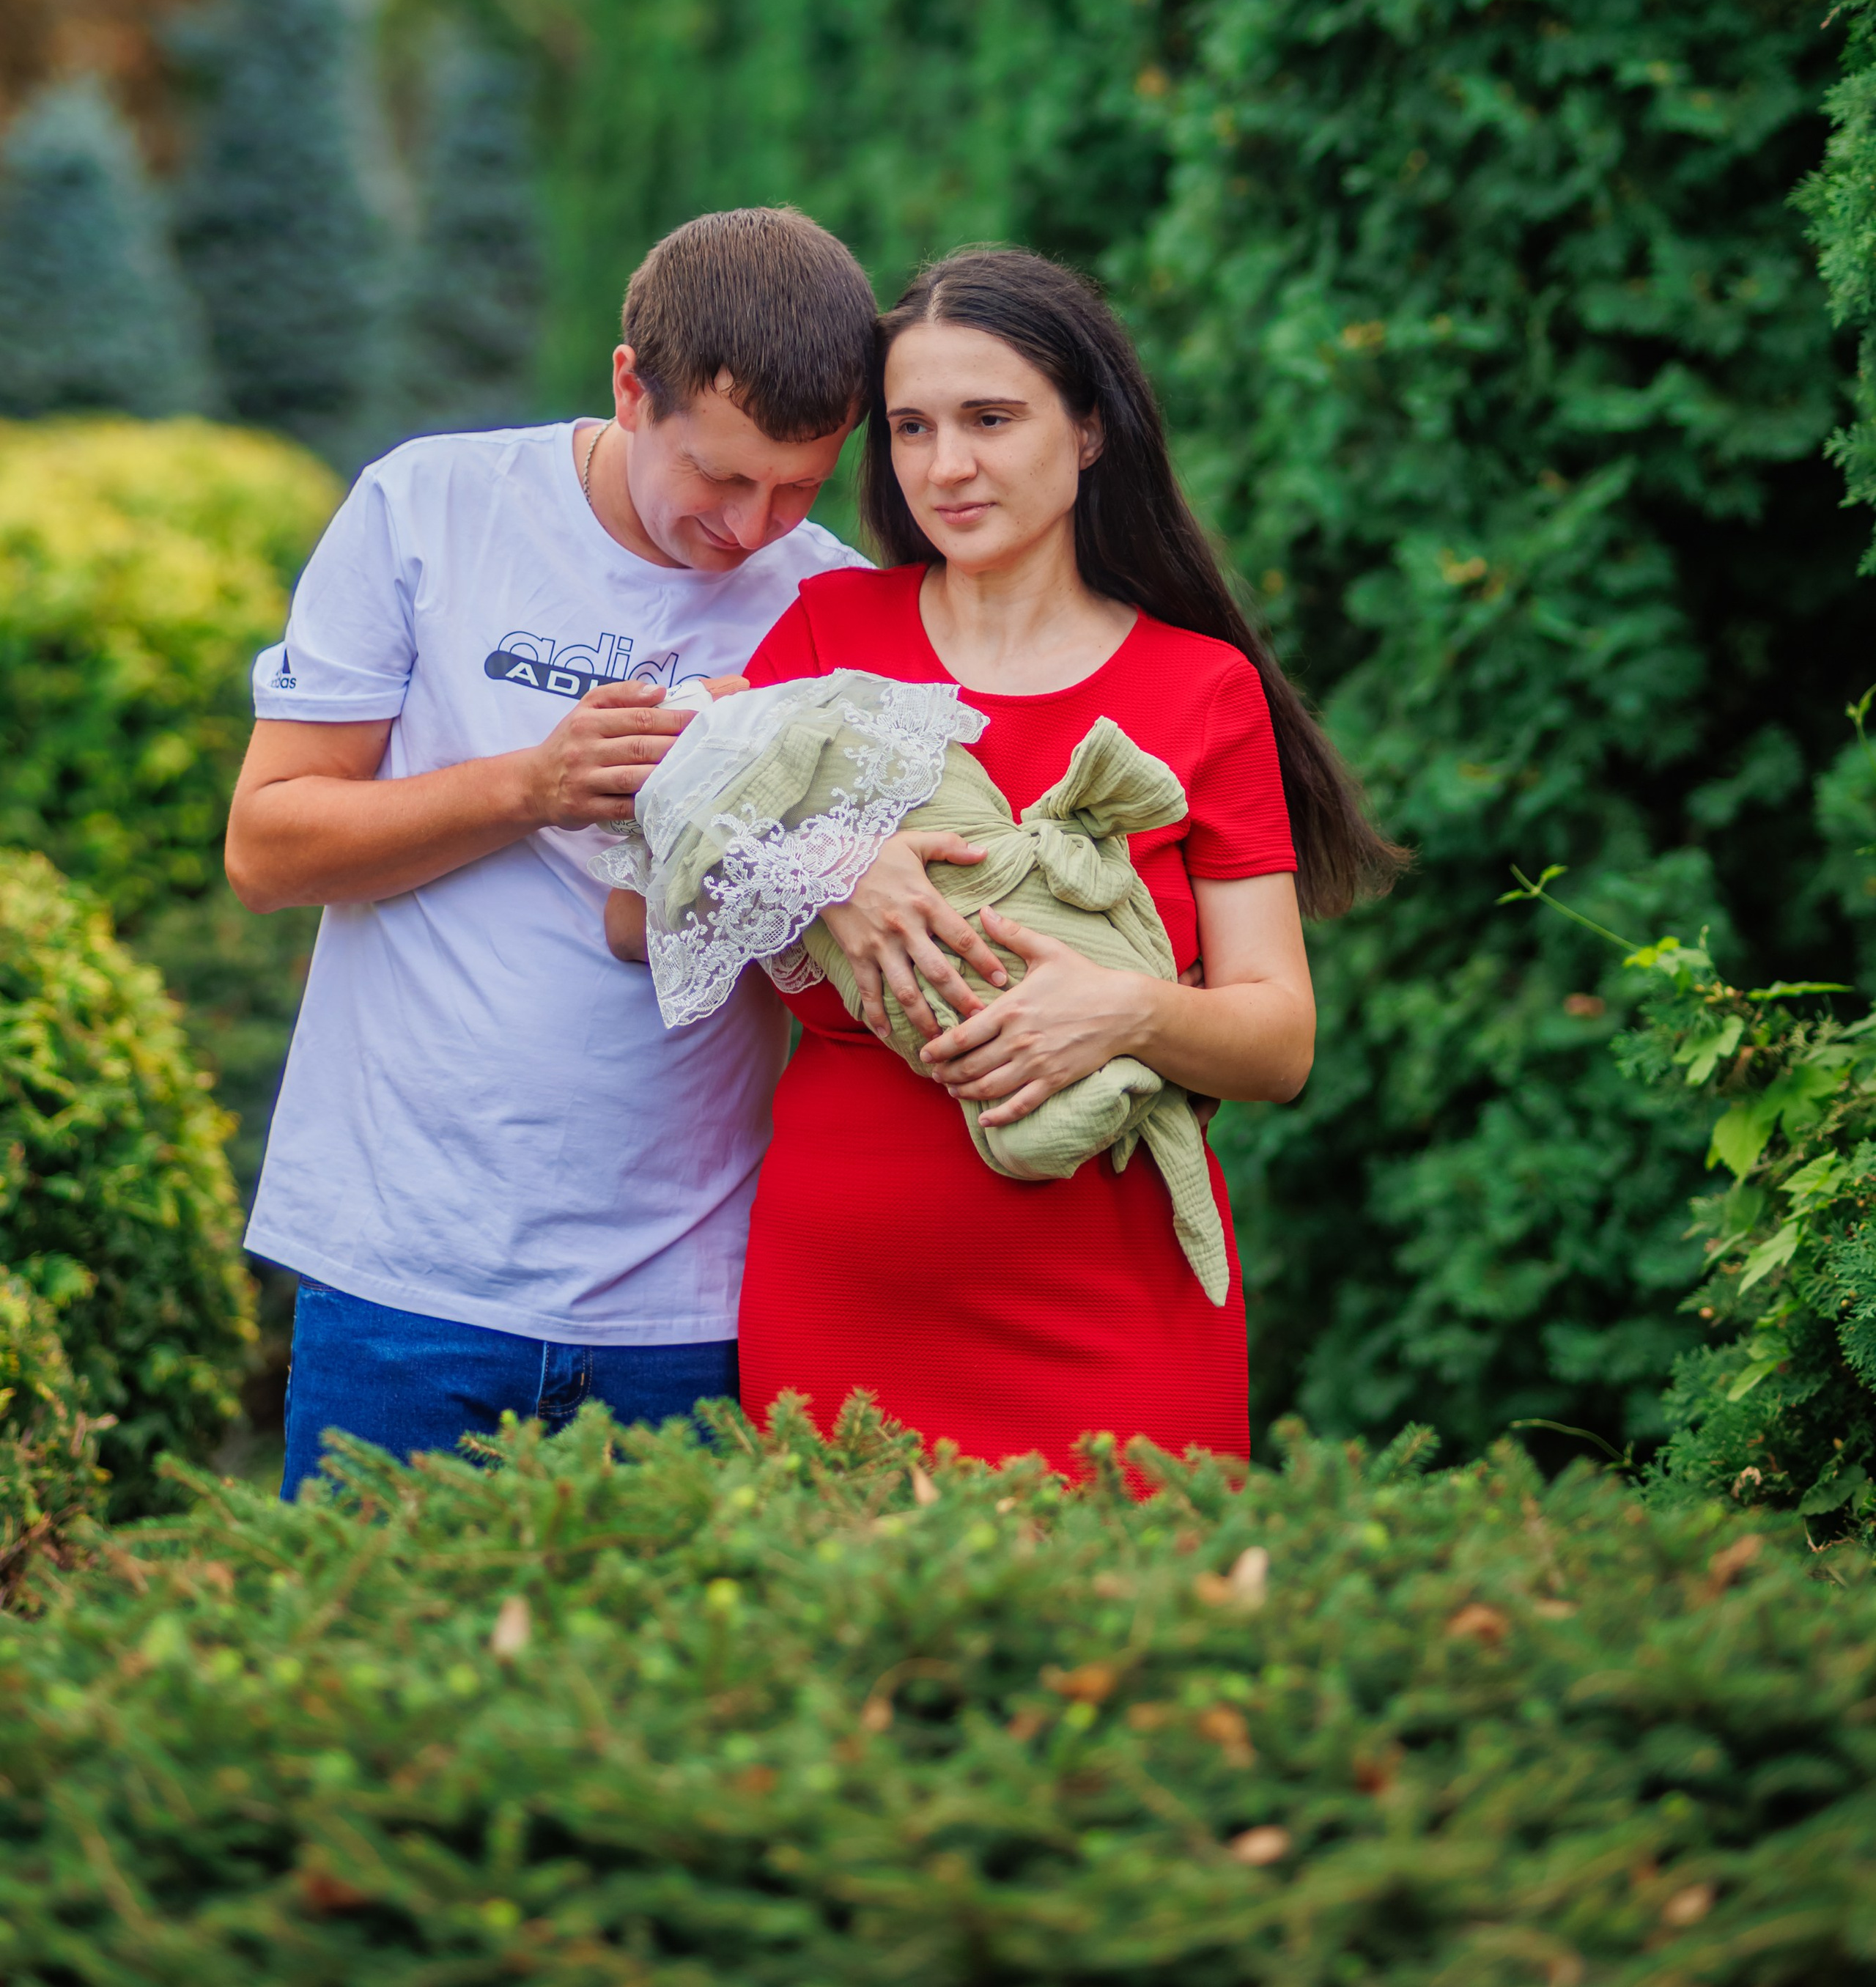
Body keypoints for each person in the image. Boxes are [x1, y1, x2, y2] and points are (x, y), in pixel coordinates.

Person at [226, 208, 876, 1499]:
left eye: (800, 485)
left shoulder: (835, 601)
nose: (754, 526)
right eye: (721, 476)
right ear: (632, 388)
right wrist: (532, 786)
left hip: (695, 1297)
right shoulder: (430, 507)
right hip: (404, 1270)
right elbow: (269, 845)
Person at [735, 246, 1406, 1473]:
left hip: (1116, 1315)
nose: (946, 466)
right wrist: (830, 868)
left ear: (1090, 430)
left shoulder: (1202, 690)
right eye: (912, 428)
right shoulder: (829, 639)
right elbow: (643, 914)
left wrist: (1126, 1012)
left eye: (991, 419)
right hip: (841, 1306)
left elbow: (1279, 1041)